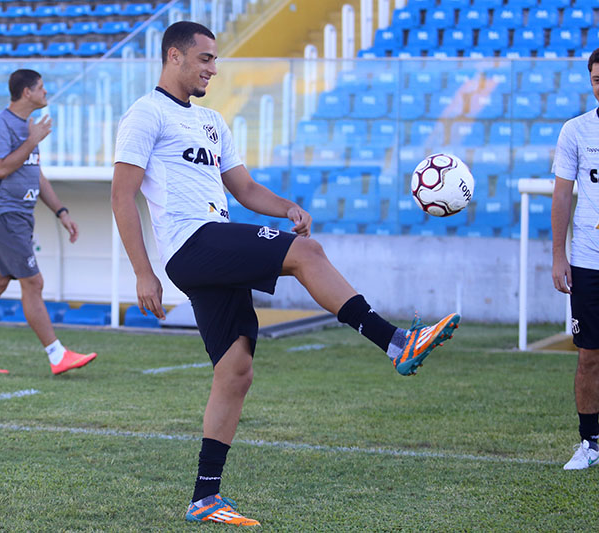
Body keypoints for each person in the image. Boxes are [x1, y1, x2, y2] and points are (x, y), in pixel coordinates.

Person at [111, 21, 460, 526]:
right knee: (307, 253)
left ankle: (205, 497)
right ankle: (394, 342)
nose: (213, 69)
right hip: (190, 243)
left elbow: (245, 189)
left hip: (212, 244)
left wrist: (286, 207)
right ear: (174, 57)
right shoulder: (145, 114)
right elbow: (122, 196)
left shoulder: (211, 120)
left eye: (215, 60)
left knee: (236, 370)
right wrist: (143, 273)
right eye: (205, 58)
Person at [0, 69, 97, 375]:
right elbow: (0, 168)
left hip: (18, 216)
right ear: (27, 92)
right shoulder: (0, 124)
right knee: (33, 282)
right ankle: (57, 355)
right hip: (3, 215)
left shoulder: (27, 126)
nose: (45, 92)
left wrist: (61, 212)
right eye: (41, 87)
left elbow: (34, 173)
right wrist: (32, 140)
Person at [551, 48, 599, 470]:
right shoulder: (576, 131)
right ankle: (590, 443)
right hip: (587, 261)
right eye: (597, 80)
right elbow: (562, 195)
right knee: (589, 355)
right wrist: (557, 256)